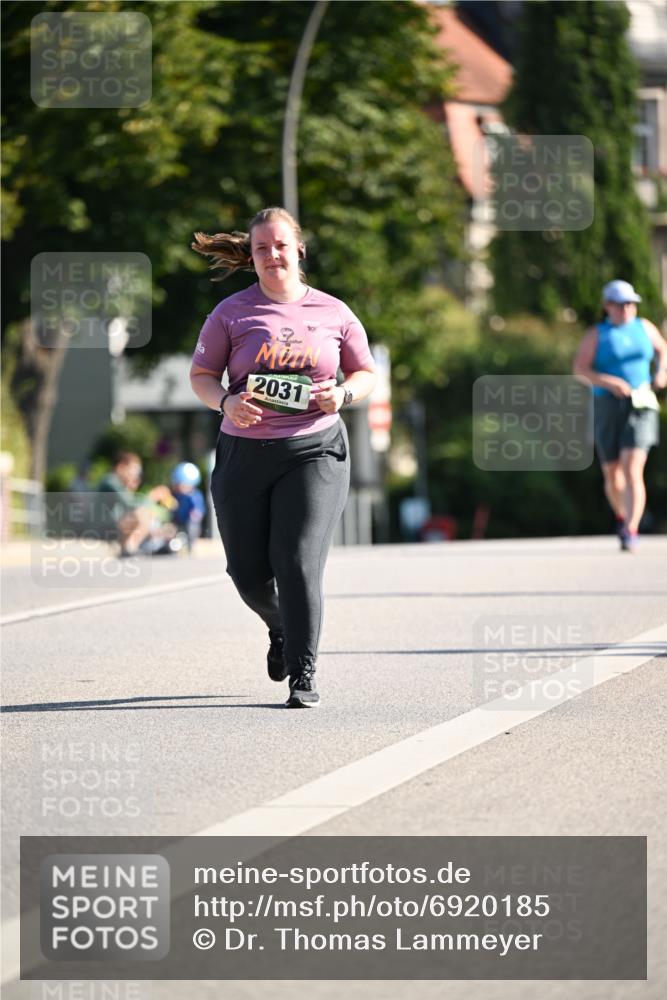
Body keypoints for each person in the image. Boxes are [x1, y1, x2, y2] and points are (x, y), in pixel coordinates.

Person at [189, 207, 376, 707]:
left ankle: (303, 670)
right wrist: (227, 401)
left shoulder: (334, 312)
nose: (273, 255)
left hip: (314, 448)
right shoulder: (231, 313)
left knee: (296, 560)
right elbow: (202, 376)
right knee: (247, 576)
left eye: (280, 245)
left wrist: (345, 395)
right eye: (261, 248)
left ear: (299, 249)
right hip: (243, 453)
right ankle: (280, 626)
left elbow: (365, 373)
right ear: (251, 258)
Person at [573, 279, 667, 551]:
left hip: (641, 404)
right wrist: (608, 382)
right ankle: (622, 515)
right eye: (620, 304)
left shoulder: (644, 328)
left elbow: (663, 350)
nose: (626, 308)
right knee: (613, 474)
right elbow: (580, 370)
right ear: (607, 306)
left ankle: (631, 528)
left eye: (630, 303)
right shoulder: (597, 334)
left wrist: (661, 372)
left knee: (632, 468)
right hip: (607, 406)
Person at [97, 451, 178, 557]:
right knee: (142, 514)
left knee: (148, 515)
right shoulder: (111, 481)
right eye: (133, 469)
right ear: (121, 466)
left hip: (113, 524)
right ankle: (129, 547)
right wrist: (152, 496)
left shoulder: (117, 482)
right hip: (103, 526)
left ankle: (134, 546)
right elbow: (130, 504)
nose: (135, 473)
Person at [169, 461, 205, 552]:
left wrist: (195, 514)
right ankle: (174, 544)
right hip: (177, 520)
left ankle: (190, 545)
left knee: (192, 527)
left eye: (183, 485)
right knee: (171, 527)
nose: (180, 488)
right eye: (178, 485)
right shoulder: (175, 495)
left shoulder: (194, 496)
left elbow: (198, 510)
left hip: (190, 521)